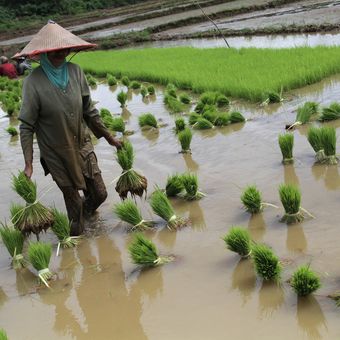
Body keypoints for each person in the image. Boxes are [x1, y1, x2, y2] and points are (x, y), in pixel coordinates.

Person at [15, 21, 122, 236]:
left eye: (64, 48)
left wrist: (110, 139)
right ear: (43, 52)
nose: (61, 52)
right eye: (54, 49)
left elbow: (89, 111)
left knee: (100, 193)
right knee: (74, 207)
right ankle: (76, 244)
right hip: (56, 152)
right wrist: (28, 164)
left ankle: (88, 215)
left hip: (82, 144)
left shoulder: (75, 72)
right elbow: (26, 126)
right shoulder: (33, 82)